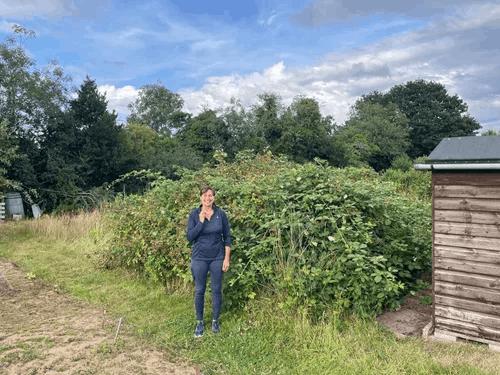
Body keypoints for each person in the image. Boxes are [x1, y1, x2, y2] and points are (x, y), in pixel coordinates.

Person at [186, 185, 231, 337]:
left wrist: (226, 258)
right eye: (205, 196)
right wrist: (200, 221)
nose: (207, 198)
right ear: (200, 198)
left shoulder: (221, 214)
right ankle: (199, 322)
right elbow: (190, 237)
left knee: (216, 290)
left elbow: (228, 237)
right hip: (199, 257)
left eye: (210, 195)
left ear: (214, 198)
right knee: (200, 290)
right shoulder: (194, 214)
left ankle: (215, 321)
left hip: (217, 257)